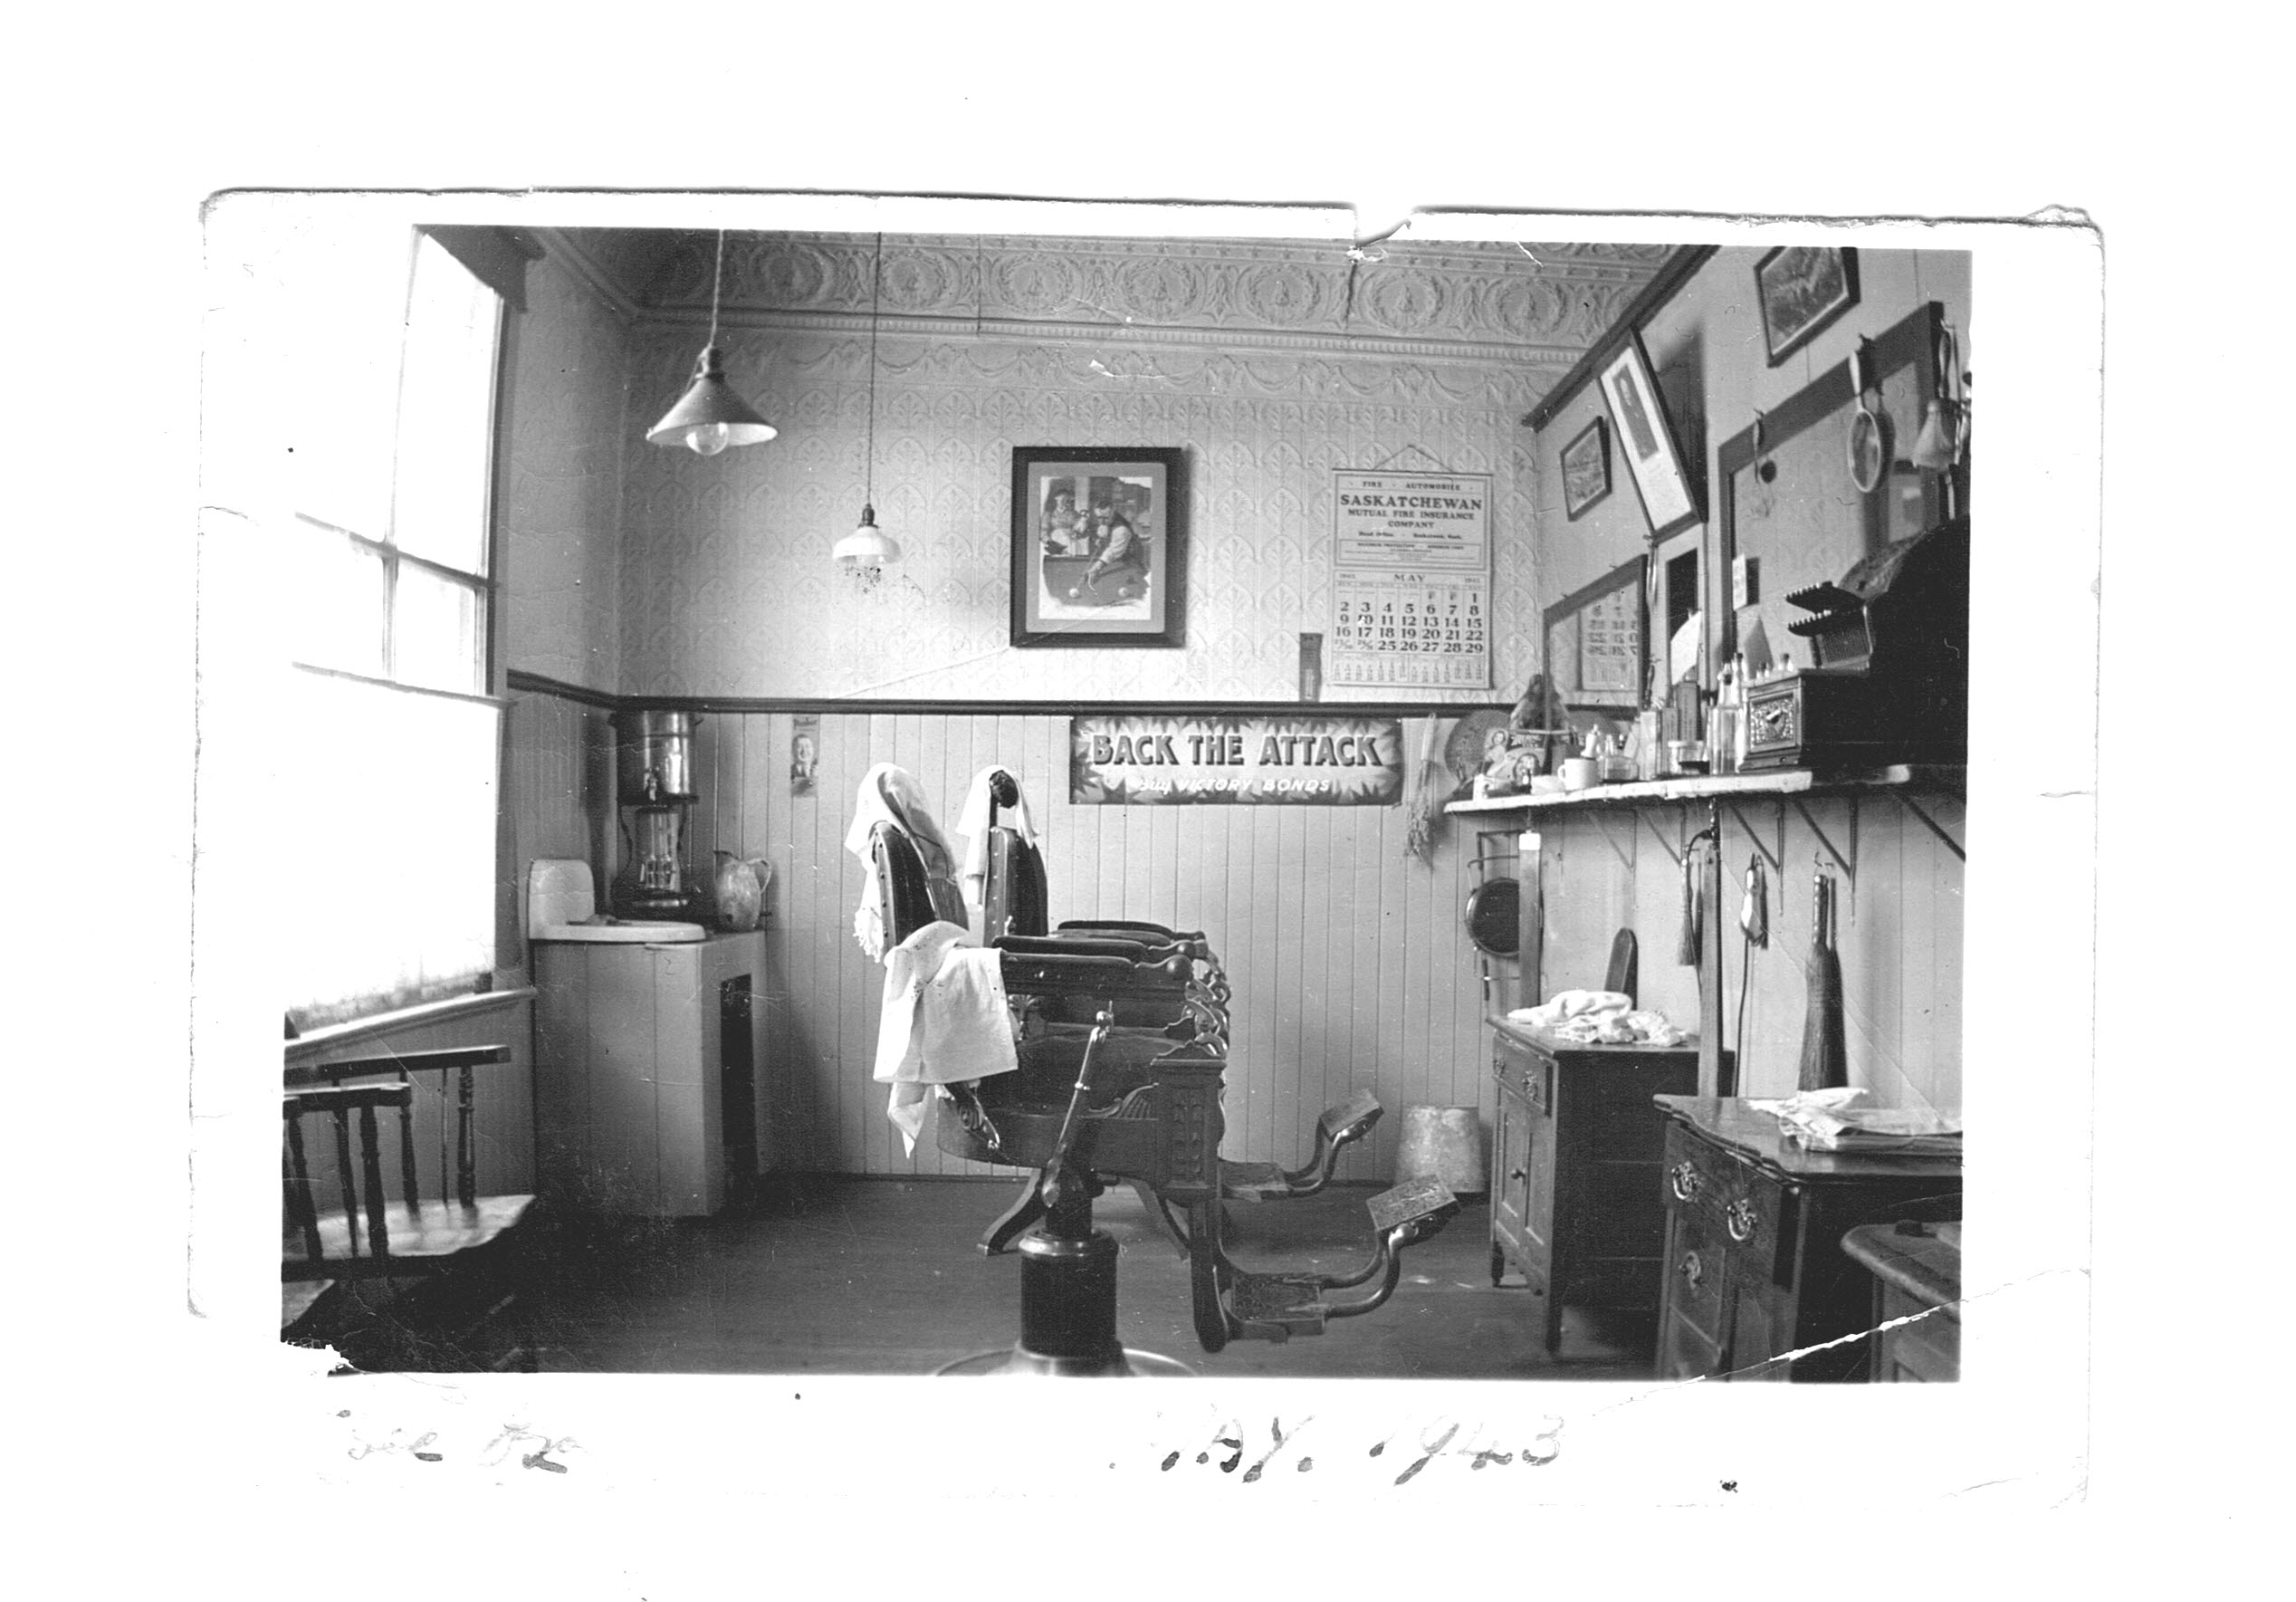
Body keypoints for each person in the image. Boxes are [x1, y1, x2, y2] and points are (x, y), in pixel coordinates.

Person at [1071, 502, 1147, 600]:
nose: (1102, 521)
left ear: (1112, 513)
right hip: (1114, 559)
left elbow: (1113, 551)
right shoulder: (1102, 519)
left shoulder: (1121, 529)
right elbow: (1079, 533)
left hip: (1130, 561)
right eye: (1099, 518)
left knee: (1133, 587)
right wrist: (1083, 524)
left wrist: (1095, 568)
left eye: (1105, 518)